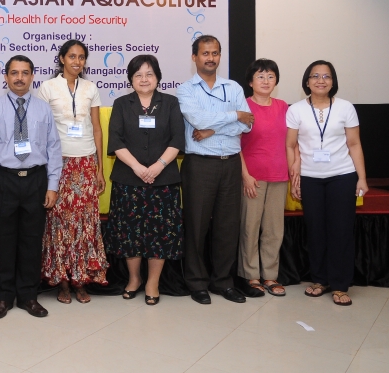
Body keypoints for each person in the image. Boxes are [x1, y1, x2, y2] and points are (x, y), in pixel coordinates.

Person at [0, 55, 63, 319]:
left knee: (31, 240)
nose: (19, 78)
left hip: (36, 180)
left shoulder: (43, 109)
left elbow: (53, 148)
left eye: (25, 73)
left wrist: (52, 185)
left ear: (32, 77)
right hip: (3, 180)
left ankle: (28, 296)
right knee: (2, 241)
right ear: (5, 77)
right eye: (14, 73)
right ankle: (3, 297)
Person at [176, 35, 254, 305]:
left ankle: (223, 282)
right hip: (200, 164)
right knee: (196, 226)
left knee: (227, 226)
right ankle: (197, 283)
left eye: (215, 53)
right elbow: (198, 119)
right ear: (194, 57)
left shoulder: (233, 88)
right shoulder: (186, 90)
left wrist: (211, 130)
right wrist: (234, 116)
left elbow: (248, 124)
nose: (211, 58)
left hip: (230, 163)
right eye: (205, 53)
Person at [103, 54, 185, 306]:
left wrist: (158, 166)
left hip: (163, 180)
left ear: (158, 77)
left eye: (149, 74)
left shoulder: (170, 103)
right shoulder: (121, 104)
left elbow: (177, 139)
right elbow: (115, 140)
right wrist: (138, 168)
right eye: (138, 75)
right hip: (129, 179)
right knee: (130, 233)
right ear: (131, 79)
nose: (144, 79)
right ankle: (134, 278)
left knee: (160, 234)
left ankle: (153, 283)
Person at [287, 60, 367, 306]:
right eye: (315, 76)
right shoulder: (296, 110)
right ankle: (320, 280)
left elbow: (354, 144)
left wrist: (362, 177)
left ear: (333, 81)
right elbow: (290, 145)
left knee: (341, 231)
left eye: (326, 76)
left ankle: (340, 284)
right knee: (315, 231)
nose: (320, 80)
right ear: (307, 81)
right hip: (310, 178)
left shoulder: (345, 107)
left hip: (342, 175)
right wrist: (294, 177)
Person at [36, 40, 108, 304]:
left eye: (81, 57)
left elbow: (97, 129)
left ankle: (81, 281)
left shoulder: (90, 88)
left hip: (86, 163)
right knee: (59, 224)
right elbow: (40, 129)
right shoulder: (47, 87)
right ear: (62, 59)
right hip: (58, 163)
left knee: (84, 224)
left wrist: (99, 168)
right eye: (72, 56)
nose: (77, 61)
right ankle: (63, 282)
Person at [237, 59, 288, 299]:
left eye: (270, 76)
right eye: (260, 76)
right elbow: (234, 143)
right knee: (250, 227)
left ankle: (270, 275)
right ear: (250, 82)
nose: (265, 81)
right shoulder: (244, 107)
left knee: (274, 230)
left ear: (276, 81)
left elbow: (291, 142)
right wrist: (245, 175)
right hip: (252, 178)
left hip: (279, 175)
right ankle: (251, 276)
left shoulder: (283, 107)